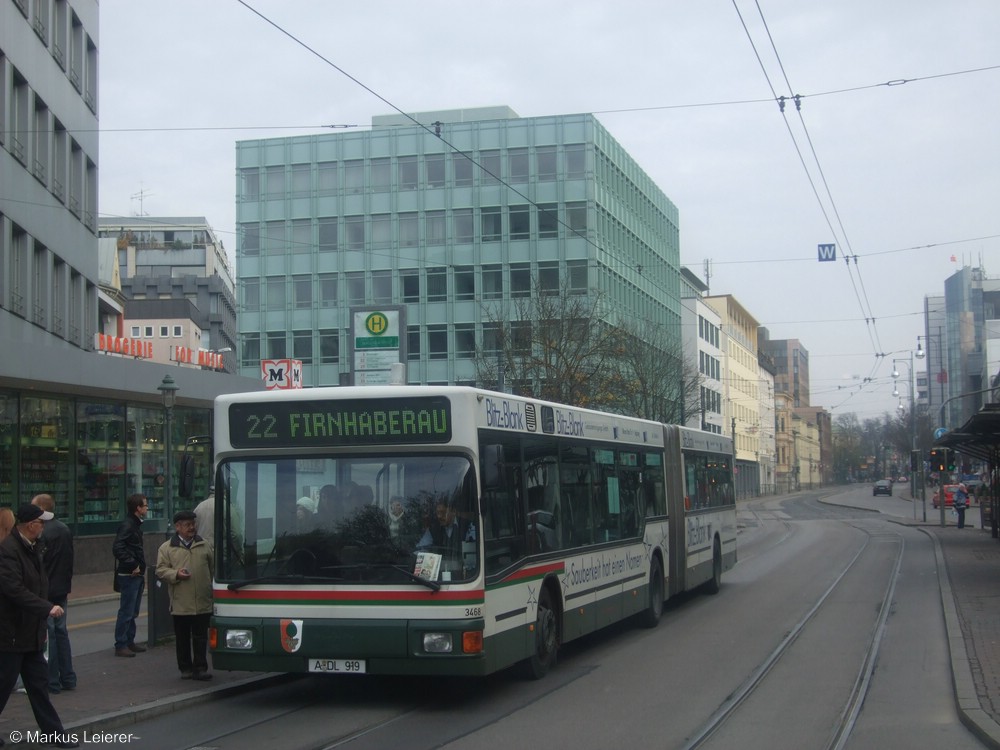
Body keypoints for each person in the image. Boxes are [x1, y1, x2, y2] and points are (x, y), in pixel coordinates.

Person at [0, 504, 80, 748]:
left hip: (31, 633)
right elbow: (14, 590)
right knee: (3, 688)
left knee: (39, 687)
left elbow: (38, 583)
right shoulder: (8, 551)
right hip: (11, 634)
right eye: (40, 522)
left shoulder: (33, 547)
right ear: (29, 525)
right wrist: (46, 607)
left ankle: (54, 733)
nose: (43, 526)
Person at [155, 510, 214, 681]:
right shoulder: (167, 548)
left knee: (201, 636)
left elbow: (212, 568)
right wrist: (176, 574)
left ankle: (201, 667)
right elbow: (160, 570)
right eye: (187, 524)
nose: (192, 527)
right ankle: (185, 668)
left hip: (202, 600)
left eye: (193, 524)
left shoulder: (204, 545)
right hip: (181, 602)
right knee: (182, 638)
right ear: (178, 527)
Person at [31, 494, 76, 693]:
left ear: (41, 508)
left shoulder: (43, 532)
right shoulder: (64, 529)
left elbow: (40, 563)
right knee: (61, 632)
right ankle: (68, 677)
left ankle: (52, 681)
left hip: (47, 589)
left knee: (49, 635)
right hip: (61, 587)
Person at [112, 493, 148, 657]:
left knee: (132, 611)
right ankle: (121, 643)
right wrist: (133, 564)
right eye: (145, 505)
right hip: (130, 574)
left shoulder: (134, 524)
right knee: (127, 611)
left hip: (136, 573)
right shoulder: (128, 525)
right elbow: (118, 547)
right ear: (138, 508)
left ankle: (128, 640)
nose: (147, 508)